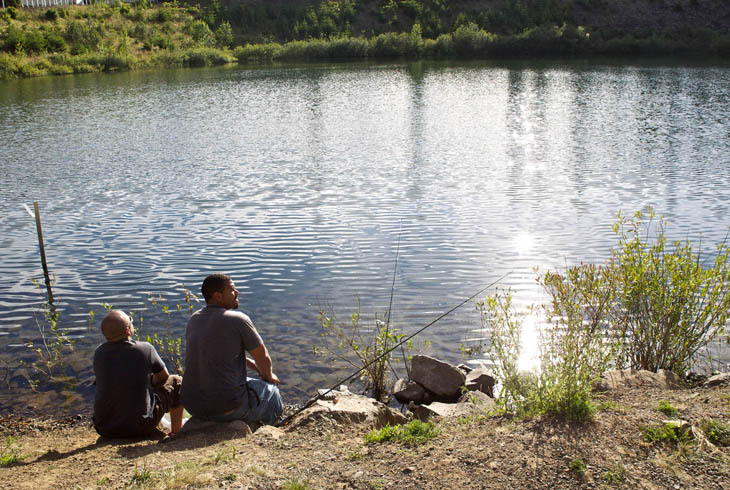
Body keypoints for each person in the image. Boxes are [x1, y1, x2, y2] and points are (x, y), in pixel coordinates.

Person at [180, 274, 283, 424]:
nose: (237, 293)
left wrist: (256, 368)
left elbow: (218, 356)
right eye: (232, 290)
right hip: (226, 408)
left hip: (193, 405)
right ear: (218, 296)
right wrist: (269, 376)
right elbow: (263, 356)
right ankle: (275, 426)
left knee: (245, 382)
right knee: (273, 393)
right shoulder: (238, 319)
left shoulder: (195, 318)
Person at [93, 310, 183, 438]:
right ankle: (176, 432)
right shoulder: (145, 349)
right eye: (130, 323)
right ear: (128, 331)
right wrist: (149, 383)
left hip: (104, 428)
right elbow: (164, 377)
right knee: (177, 381)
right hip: (141, 427)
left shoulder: (99, 353)